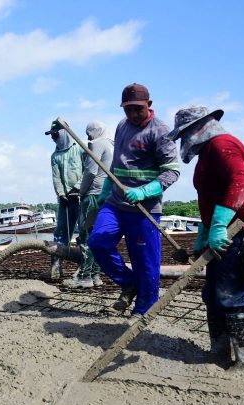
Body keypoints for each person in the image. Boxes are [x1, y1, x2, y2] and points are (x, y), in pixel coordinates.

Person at [166, 106, 244, 371]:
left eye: (183, 135)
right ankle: (219, 352)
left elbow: (240, 182)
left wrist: (218, 226)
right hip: (225, 235)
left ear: (196, 129)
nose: (183, 142)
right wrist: (204, 235)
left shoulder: (223, 145)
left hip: (243, 234)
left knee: (235, 297)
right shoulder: (208, 153)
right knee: (215, 296)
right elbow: (211, 197)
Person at [87, 83, 180, 318]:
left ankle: (143, 309)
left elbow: (172, 171)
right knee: (98, 242)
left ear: (149, 105)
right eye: (128, 109)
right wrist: (106, 188)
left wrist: (144, 191)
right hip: (116, 203)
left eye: (138, 109)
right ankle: (129, 283)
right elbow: (117, 163)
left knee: (145, 262)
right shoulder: (122, 125)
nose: (133, 114)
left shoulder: (161, 132)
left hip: (144, 207)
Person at [67, 120, 113, 288]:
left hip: (93, 195)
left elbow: (91, 171)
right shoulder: (112, 145)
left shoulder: (97, 144)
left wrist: (80, 192)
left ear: (95, 132)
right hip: (108, 196)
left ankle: (84, 277)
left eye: (89, 134)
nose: (88, 138)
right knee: (100, 237)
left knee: (86, 237)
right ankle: (96, 275)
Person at [45, 120, 83, 280]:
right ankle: (56, 268)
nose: (53, 138)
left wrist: (77, 189)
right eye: (52, 135)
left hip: (81, 198)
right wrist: (61, 194)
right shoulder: (55, 156)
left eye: (55, 134)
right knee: (60, 233)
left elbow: (88, 170)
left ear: (64, 133)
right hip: (65, 200)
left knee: (84, 233)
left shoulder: (80, 149)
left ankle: (84, 269)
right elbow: (56, 178)